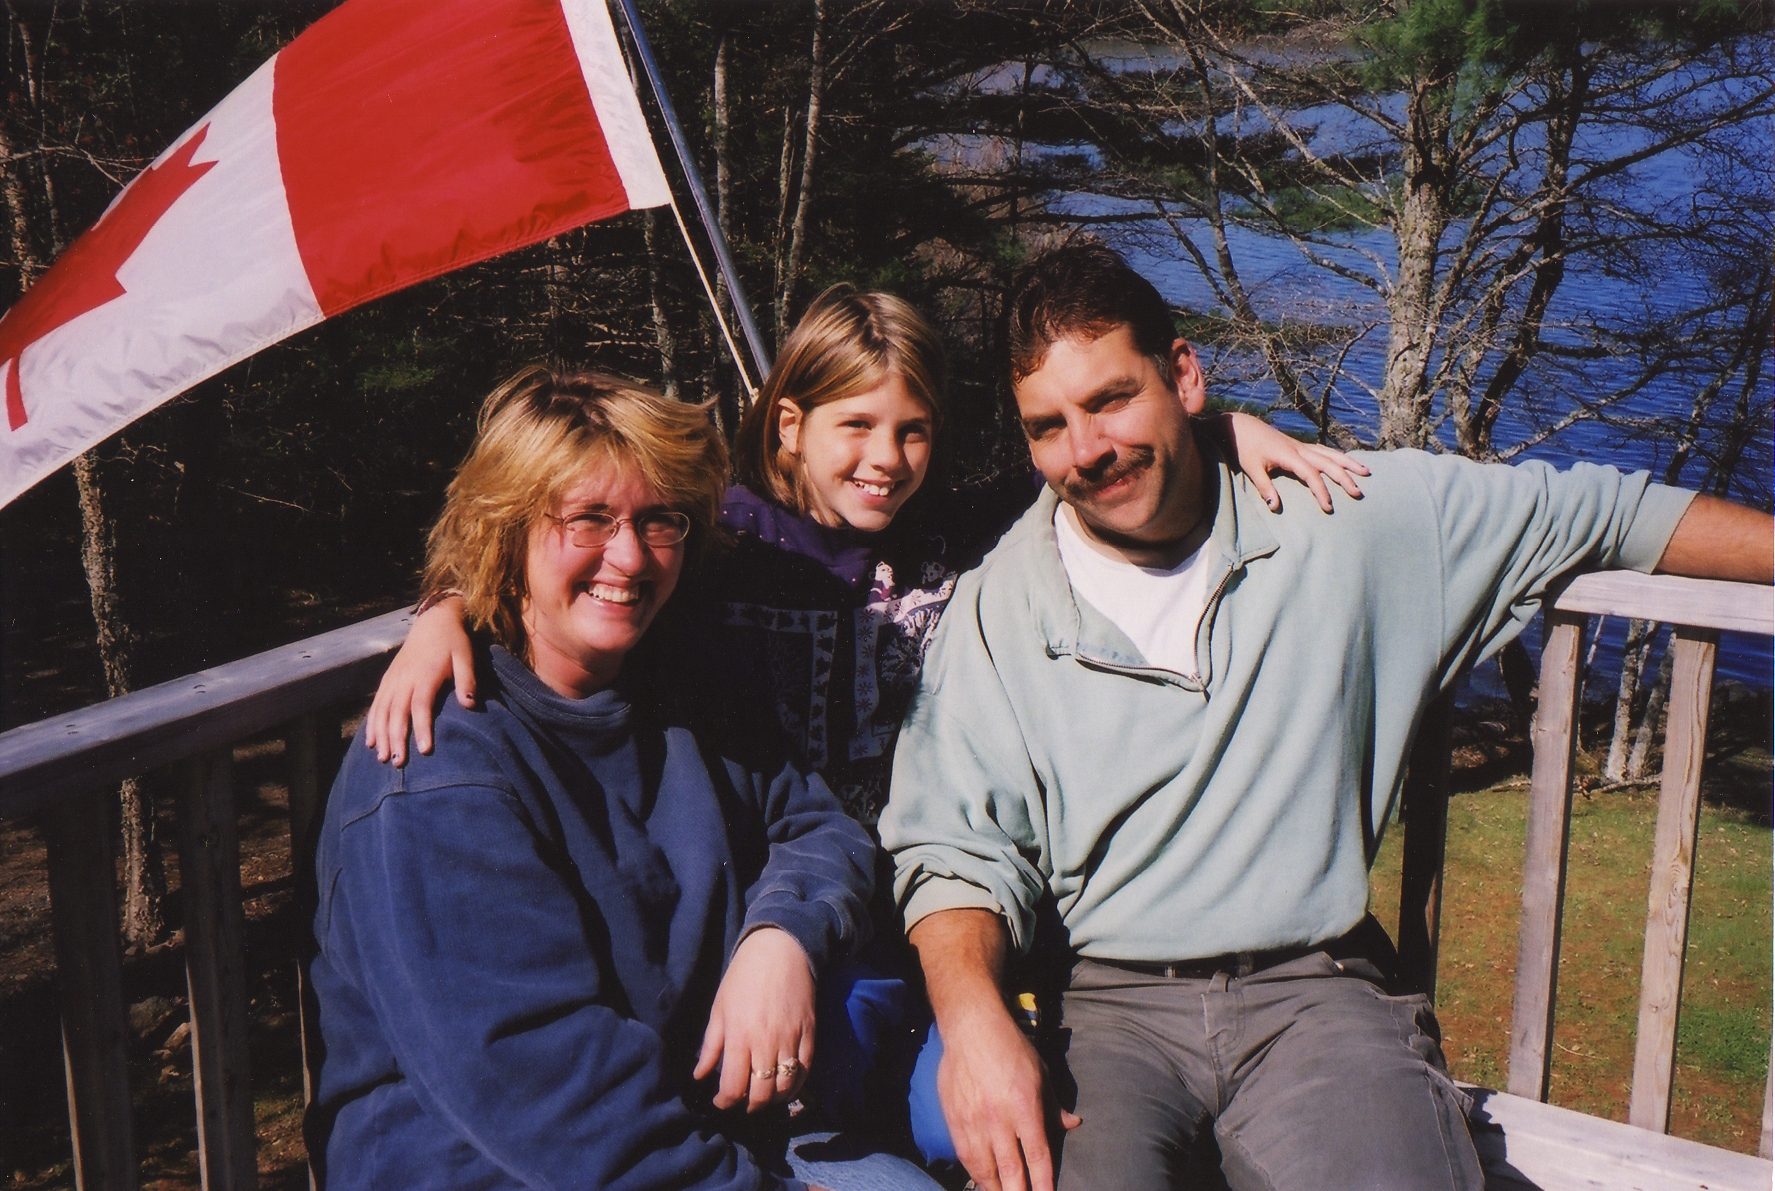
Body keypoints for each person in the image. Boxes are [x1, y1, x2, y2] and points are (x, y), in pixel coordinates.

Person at [359, 287, 1368, 1163]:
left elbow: (1098, 461)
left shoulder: (955, 539)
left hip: (935, 914)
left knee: (1025, 1122)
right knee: (842, 1096)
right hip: (782, 922)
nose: (885, 458)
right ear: (788, 423)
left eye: (912, 430)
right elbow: (570, 540)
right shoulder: (723, 543)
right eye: (855, 425)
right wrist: (447, 606)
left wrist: (1218, 430)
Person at [878, 242, 1775, 1191]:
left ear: (1183, 376)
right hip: (1102, 1015)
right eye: (1048, 426)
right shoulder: (1000, 609)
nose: (1086, 448)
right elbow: (953, 849)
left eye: (1109, 399)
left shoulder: (1339, 522)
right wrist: (974, 1022)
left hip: (1318, 995)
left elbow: (1610, 512)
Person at [307, 367, 943, 1191]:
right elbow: (552, 1093)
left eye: (657, 519)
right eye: (589, 519)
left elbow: (819, 828)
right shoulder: (437, 770)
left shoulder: (685, 683)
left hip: (706, 1130)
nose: (631, 555)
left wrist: (782, 936)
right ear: (506, 529)